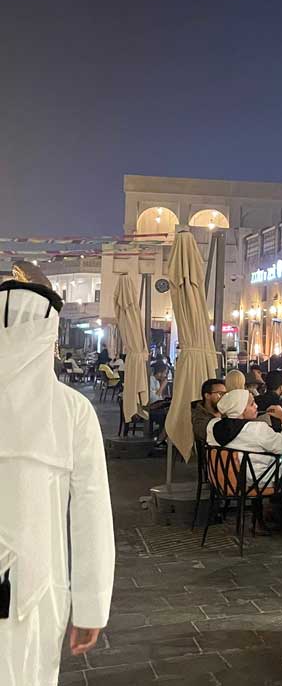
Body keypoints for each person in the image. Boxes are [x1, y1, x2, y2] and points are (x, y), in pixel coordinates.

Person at [0, 277, 114, 683]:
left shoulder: (74, 411)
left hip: (38, 589)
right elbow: (91, 514)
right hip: (38, 584)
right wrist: (91, 606)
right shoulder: (71, 411)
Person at [207, 389, 282, 484]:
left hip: (225, 481)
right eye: (252, 404)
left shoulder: (212, 426)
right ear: (240, 409)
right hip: (258, 480)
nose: (256, 406)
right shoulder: (257, 429)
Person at [191, 378, 226, 444]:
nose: (223, 397)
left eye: (225, 394)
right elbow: (214, 436)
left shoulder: (227, 412)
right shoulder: (198, 417)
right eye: (220, 393)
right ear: (207, 396)